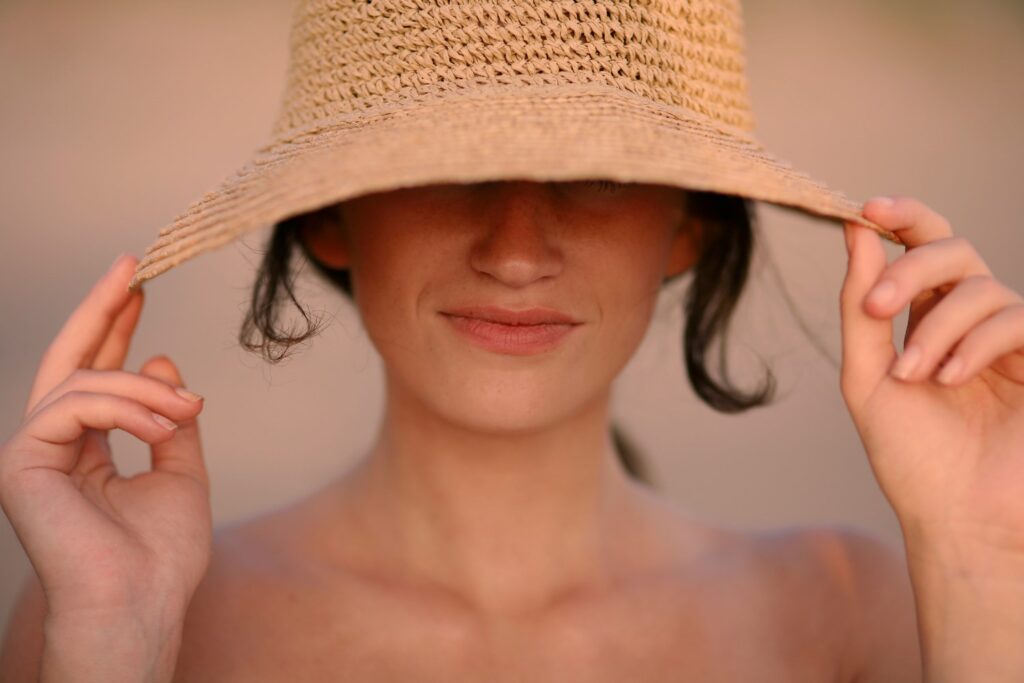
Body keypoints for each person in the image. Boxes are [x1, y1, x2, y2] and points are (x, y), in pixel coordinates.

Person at [3, 2, 1024, 682]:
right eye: (449, 169)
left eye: (599, 173)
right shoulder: (142, 614)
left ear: (688, 226)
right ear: (327, 214)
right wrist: (110, 645)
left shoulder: (846, 612)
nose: (517, 250)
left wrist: (981, 557)